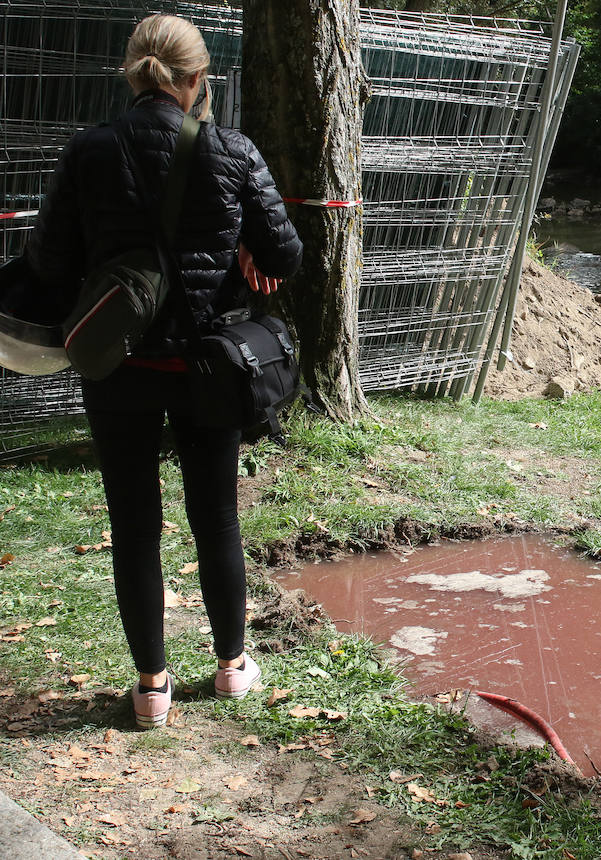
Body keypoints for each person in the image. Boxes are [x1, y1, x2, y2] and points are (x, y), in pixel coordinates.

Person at [23, 14, 303, 728]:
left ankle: (151, 687)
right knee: (216, 515)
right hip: (209, 366)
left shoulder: (88, 151)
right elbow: (286, 255)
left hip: (117, 367)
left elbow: (48, 264)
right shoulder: (232, 150)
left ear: (132, 72)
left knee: (134, 521)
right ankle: (232, 668)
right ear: (199, 78)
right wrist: (243, 251)